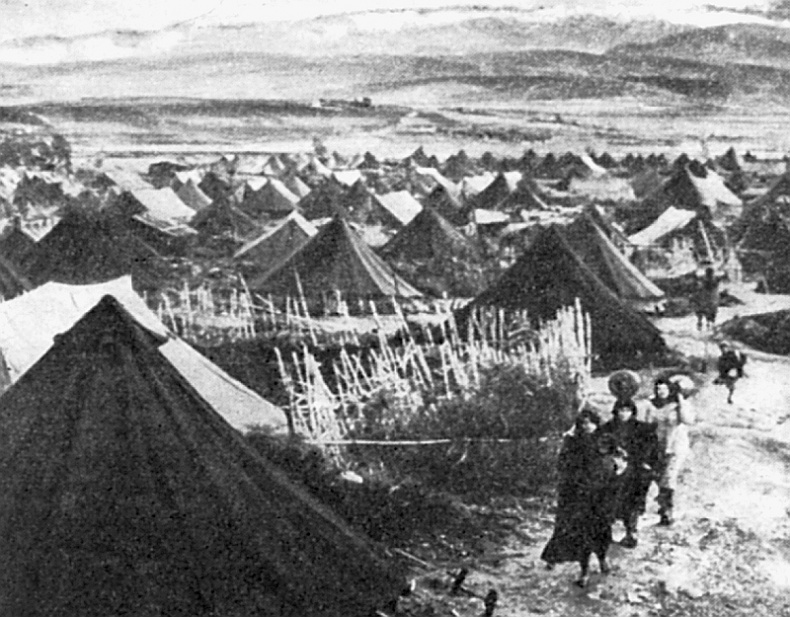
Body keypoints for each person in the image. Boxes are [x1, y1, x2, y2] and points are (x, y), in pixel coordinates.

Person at [541, 409, 628, 587]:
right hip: (580, 494)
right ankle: (584, 570)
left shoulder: (606, 439)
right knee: (583, 534)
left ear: (596, 423)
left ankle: (602, 559)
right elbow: (562, 465)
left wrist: (617, 469)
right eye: (583, 423)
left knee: (602, 529)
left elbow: (621, 459)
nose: (587, 426)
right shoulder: (573, 442)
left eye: (590, 422)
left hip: (601, 493)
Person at [600, 400, 659, 548]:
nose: (623, 414)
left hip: (635, 469)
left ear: (632, 412)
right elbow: (601, 446)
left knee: (633, 500)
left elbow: (651, 448)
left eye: (627, 410)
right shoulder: (607, 428)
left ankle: (631, 532)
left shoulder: (642, 429)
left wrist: (641, 461)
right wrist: (613, 455)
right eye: (620, 410)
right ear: (615, 411)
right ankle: (606, 533)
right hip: (613, 469)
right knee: (609, 499)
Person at [645, 378, 694, 526]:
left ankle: (667, 512)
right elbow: (647, 424)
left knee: (668, 477)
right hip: (658, 446)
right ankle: (662, 506)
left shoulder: (679, 405)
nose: (661, 392)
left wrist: (681, 401)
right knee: (658, 477)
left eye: (664, 389)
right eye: (658, 389)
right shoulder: (651, 404)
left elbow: (688, 420)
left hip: (676, 446)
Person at [691, 267, 719, 331]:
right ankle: (707, 324)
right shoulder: (714, 280)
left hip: (707, 299)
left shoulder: (705, 280)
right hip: (710, 299)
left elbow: (699, 288)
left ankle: (702, 323)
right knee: (709, 311)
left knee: (703, 311)